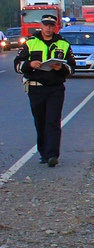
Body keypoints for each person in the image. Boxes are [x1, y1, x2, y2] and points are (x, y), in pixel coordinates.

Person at [14, 14, 74, 167]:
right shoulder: (30, 43)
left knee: (53, 121)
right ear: (41, 26)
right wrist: (29, 64)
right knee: (40, 122)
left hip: (55, 89)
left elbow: (72, 68)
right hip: (36, 88)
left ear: (55, 27)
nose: (48, 28)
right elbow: (17, 65)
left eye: (51, 25)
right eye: (46, 25)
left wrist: (61, 68)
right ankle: (43, 152)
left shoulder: (63, 44)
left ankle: (52, 155)